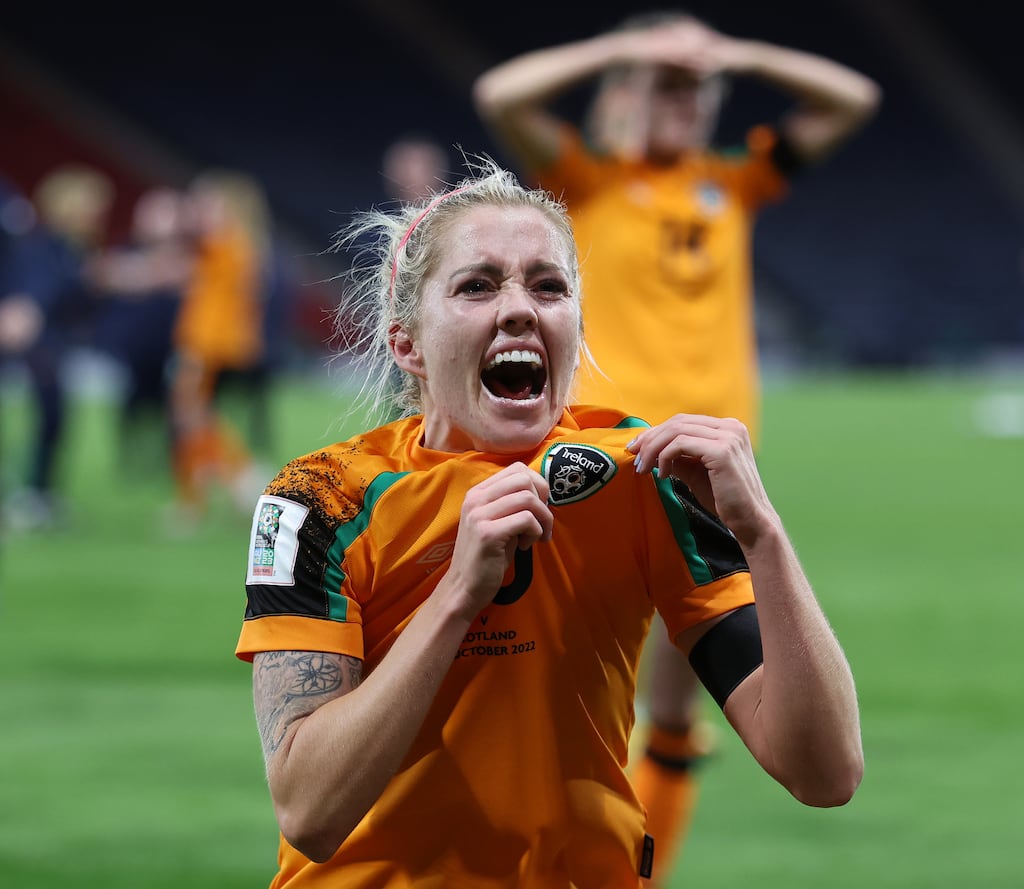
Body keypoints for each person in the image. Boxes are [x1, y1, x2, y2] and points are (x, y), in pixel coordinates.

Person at [234, 158, 863, 888]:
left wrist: (764, 535)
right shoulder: (318, 499)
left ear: (575, 325)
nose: (519, 307)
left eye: (547, 285)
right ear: (406, 342)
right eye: (477, 285)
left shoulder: (644, 475)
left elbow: (825, 771)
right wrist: (457, 595)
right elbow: (310, 809)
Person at [472, 12, 880, 882]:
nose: (684, 104)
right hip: (594, 466)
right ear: (623, 95)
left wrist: (734, 53)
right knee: (571, 681)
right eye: (666, 87)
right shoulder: (586, 178)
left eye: (697, 94)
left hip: (708, 471)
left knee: (678, 698)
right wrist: (625, 49)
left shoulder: (732, 182)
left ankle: (636, 873)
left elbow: (854, 101)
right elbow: (498, 95)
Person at [0, 163, 114, 531]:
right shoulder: (44, 244)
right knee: (48, 413)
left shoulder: (77, 248)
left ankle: (41, 491)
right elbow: (38, 286)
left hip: (53, 342)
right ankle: (33, 493)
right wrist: (29, 308)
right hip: (36, 341)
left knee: (55, 416)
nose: (96, 212)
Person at [165, 168, 273, 526]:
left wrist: (172, 219)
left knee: (191, 418)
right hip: (212, 343)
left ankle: (227, 482)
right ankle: (225, 483)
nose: (198, 209)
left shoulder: (226, 243)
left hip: (204, 344)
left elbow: (183, 238)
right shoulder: (241, 244)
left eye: (205, 202)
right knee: (196, 418)